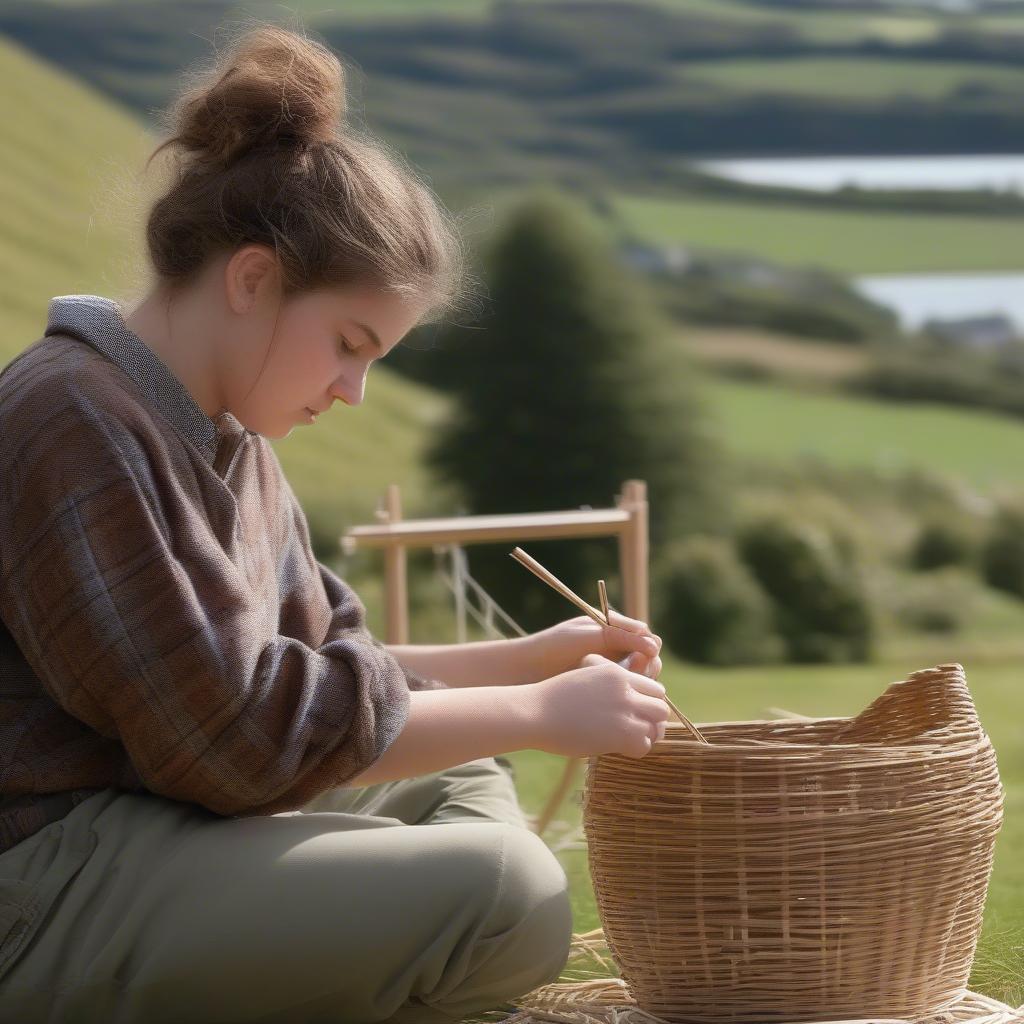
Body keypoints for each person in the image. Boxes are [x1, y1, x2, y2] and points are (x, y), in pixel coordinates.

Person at [0, 22, 668, 1024]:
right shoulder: (70, 417)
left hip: (158, 816)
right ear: (254, 277)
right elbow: (234, 737)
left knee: (465, 776)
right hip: (42, 876)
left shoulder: (232, 439)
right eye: (348, 345)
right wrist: (540, 714)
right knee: (505, 893)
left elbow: (324, 662)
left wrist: (526, 661)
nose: (352, 391)